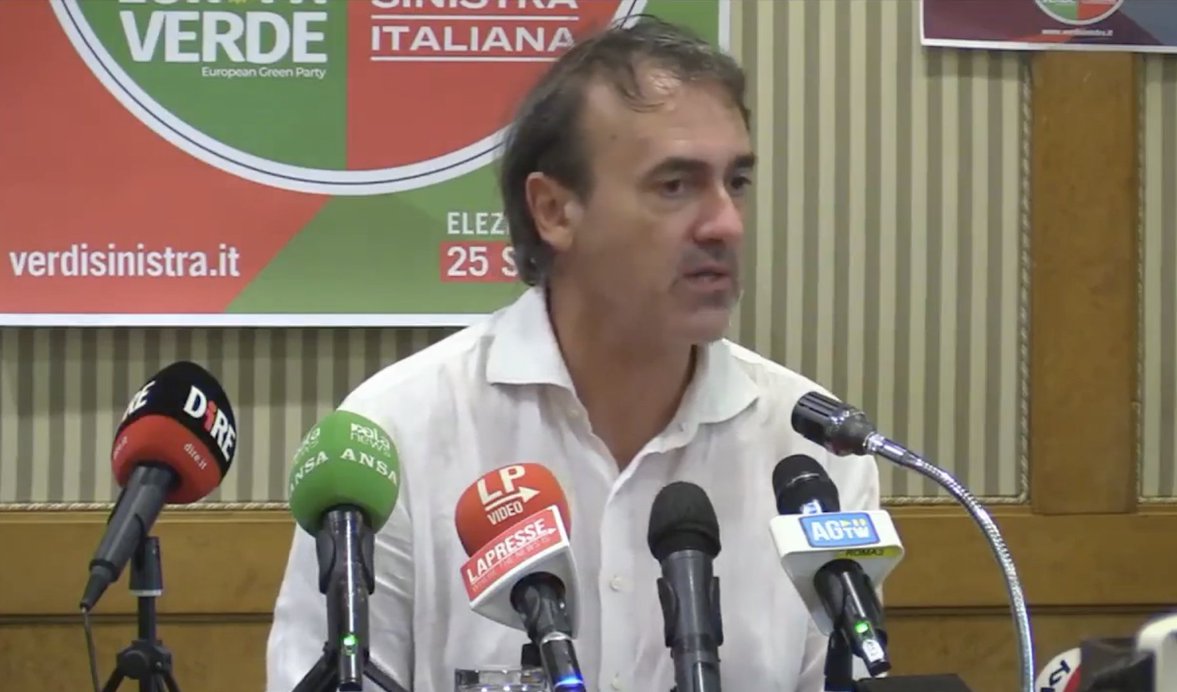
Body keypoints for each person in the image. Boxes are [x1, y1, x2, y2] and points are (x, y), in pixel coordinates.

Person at [265, 16, 880, 692]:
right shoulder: (399, 434)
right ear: (555, 210)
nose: (725, 224)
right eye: (675, 185)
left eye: (735, 182)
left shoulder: (815, 455)